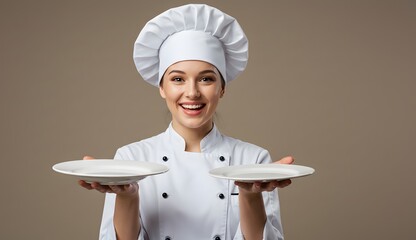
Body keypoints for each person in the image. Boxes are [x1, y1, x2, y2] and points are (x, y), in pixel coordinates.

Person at [79, 4, 294, 240]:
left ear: (222, 88)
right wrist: (127, 196)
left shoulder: (253, 161)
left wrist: (250, 194)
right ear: (162, 87)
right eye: (178, 79)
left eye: (206, 79)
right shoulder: (130, 160)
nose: (192, 93)